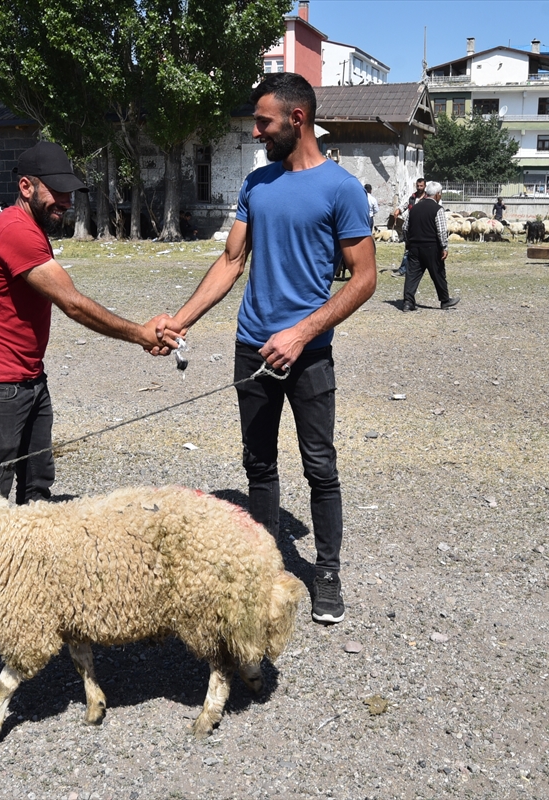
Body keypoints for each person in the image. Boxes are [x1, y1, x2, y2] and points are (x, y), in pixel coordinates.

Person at [155, 73, 376, 625]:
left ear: (296, 120)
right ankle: (264, 566)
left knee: (319, 466)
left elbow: (364, 277)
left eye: (264, 122)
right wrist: (177, 322)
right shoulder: (257, 185)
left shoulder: (341, 188)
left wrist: (302, 333)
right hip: (251, 348)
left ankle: (326, 573)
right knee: (258, 464)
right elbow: (231, 263)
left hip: (307, 355)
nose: (256, 132)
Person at [0, 141, 176, 507]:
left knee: (37, 484)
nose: (67, 201)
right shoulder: (15, 230)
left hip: (27, 378)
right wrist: (140, 333)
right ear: (26, 187)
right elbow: (73, 304)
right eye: (57, 192)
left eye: (69, 192)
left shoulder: (30, 229)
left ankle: (31, 560)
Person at [404, 181, 459, 312]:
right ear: (437, 195)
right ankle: (445, 300)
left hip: (415, 247)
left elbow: (405, 228)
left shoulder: (414, 208)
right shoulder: (437, 209)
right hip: (431, 247)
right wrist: (444, 247)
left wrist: (408, 243)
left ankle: (407, 302)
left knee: (412, 275)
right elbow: (441, 230)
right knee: (438, 273)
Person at [390, 177, 426, 276]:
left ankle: (418, 269)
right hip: (411, 228)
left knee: (422, 250)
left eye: (421, 186)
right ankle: (403, 270)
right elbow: (404, 205)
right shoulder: (412, 198)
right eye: (418, 186)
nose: (419, 188)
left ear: (424, 186)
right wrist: (398, 210)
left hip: (423, 228)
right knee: (408, 249)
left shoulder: (428, 199)